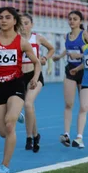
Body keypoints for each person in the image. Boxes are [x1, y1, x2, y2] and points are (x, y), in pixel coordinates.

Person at [0, 7, 40, 173]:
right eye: (1, 17)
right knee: (2, 131)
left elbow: (37, 63)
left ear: (15, 21)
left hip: (16, 84)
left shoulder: (22, 42)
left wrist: (35, 78)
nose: (3, 20)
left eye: (7, 17)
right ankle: (15, 113)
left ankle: (4, 165)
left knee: (9, 123)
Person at [52, 11, 88, 147]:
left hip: (84, 71)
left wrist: (79, 57)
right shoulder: (67, 36)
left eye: (75, 19)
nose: (72, 21)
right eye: (70, 19)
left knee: (84, 104)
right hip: (71, 71)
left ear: (80, 21)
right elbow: (68, 51)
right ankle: (66, 135)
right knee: (68, 104)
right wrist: (59, 57)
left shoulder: (84, 34)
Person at [19, 14, 55, 153]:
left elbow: (51, 48)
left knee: (28, 104)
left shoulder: (37, 38)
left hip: (35, 75)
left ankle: (28, 137)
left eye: (26, 23)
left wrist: (45, 57)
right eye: (21, 23)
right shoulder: (16, 39)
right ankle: (35, 135)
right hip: (20, 76)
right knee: (29, 108)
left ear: (32, 24)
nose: (23, 26)